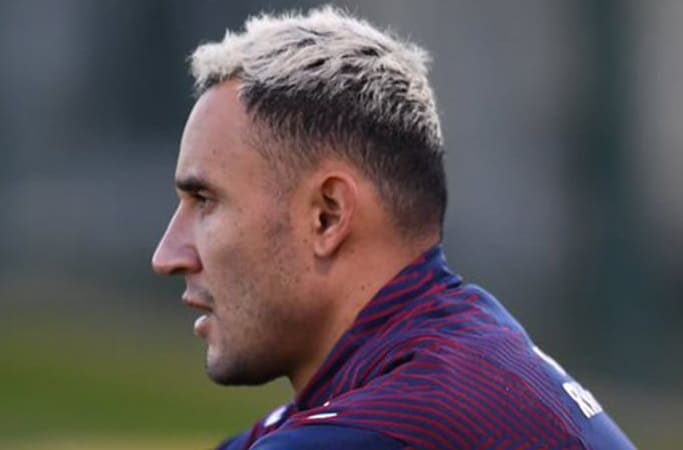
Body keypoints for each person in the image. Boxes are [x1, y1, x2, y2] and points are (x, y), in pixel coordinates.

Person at [152, 6, 635, 450]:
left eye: (205, 201)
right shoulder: (460, 344)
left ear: (327, 216)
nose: (168, 256)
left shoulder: (389, 427)